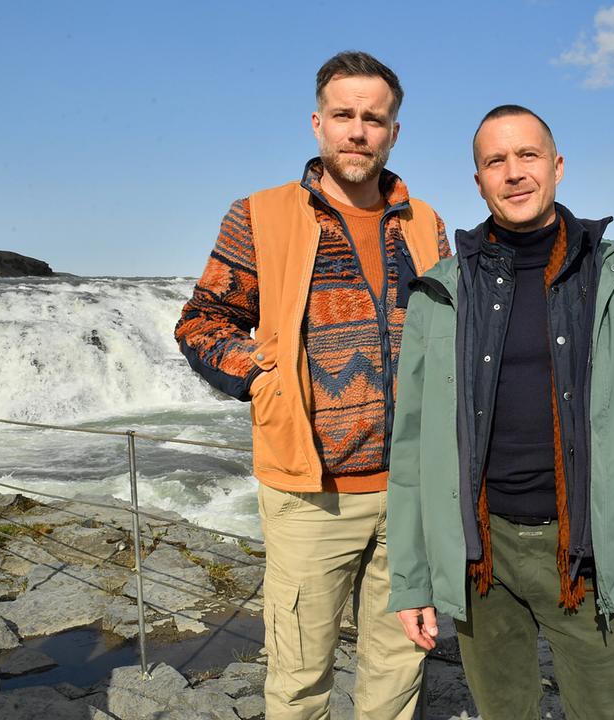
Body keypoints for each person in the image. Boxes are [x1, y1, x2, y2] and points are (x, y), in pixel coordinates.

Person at [386, 104, 614, 719]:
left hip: (587, 549)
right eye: (495, 161)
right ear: (478, 181)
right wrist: (413, 579)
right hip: (482, 557)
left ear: (556, 166)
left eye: (527, 156)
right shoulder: (441, 292)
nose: (514, 172)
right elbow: (413, 448)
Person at [174, 50, 450, 720]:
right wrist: (262, 380)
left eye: (374, 118)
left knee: (398, 669)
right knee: (299, 678)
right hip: (308, 494)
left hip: (410, 493)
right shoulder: (258, 215)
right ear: (318, 124)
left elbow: (450, 341)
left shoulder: (427, 224)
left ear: (393, 132)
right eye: (345, 115)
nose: (359, 131)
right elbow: (202, 322)